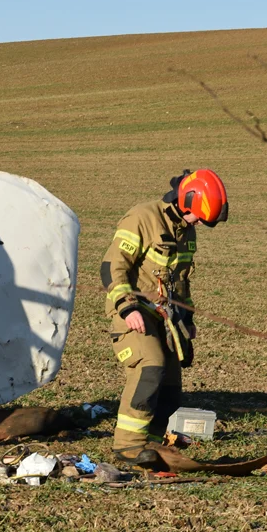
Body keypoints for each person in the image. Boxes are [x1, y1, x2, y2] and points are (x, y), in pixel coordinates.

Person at [100, 169, 229, 467]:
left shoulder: (186, 229)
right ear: (186, 202)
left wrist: (188, 319)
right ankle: (127, 445)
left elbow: (181, 281)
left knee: (171, 387)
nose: (199, 223)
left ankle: (152, 443)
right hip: (134, 311)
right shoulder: (142, 218)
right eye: (198, 217)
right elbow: (112, 267)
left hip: (166, 317)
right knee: (151, 366)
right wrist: (128, 307)